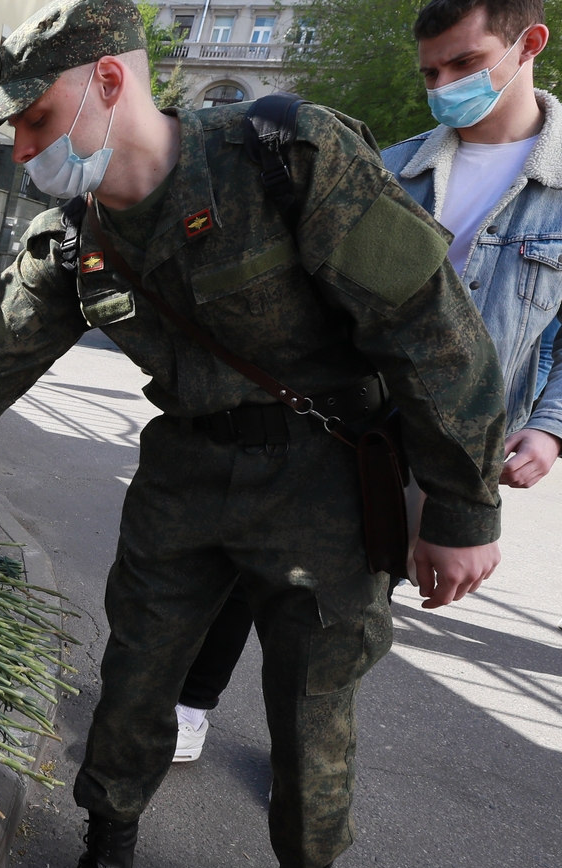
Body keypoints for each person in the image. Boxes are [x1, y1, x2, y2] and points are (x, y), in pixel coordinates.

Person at [0, 0, 505, 868]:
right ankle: (107, 855)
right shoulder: (66, 242)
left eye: (37, 121)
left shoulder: (282, 155)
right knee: (135, 677)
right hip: (183, 476)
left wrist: (463, 510)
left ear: (110, 82)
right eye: (15, 133)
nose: (25, 148)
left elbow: (430, 329)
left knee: (311, 703)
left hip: (325, 480)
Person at [173, 0, 562, 765]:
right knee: (252, 562)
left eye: (463, 64)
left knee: (352, 607)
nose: (443, 84)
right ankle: (192, 703)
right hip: (339, 418)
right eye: (430, 71)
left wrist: (549, 426)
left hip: (450, 442)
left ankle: (305, 750)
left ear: (529, 44)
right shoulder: (390, 165)